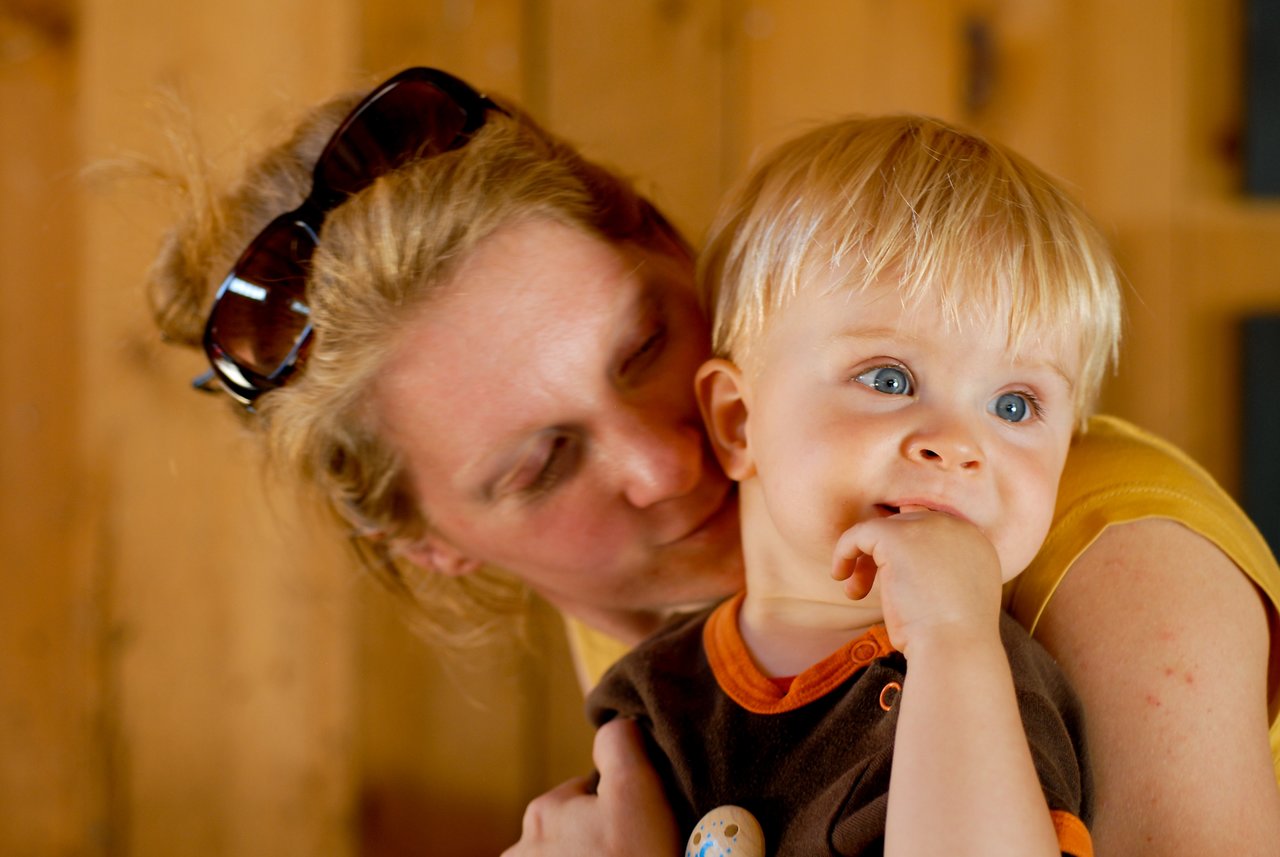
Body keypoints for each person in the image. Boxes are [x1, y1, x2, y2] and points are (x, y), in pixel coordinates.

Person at [143, 67, 1280, 857]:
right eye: (543, 462)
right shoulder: (677, 631)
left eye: (641, 344)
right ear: (432, 540)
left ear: (668, 243)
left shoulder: (1092, 550)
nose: (662, 455)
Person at [585, 113, 1103, 856]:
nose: (958, 443)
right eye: (889, 378)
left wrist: (953, 640)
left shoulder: (980, 684)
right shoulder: (653, 692)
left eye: (1014, 404)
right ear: (737, 421)